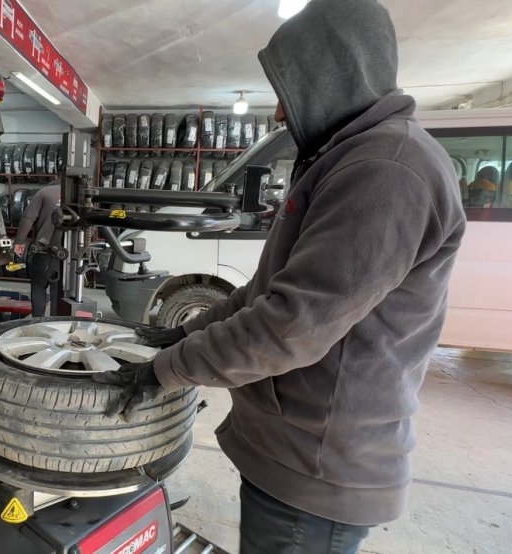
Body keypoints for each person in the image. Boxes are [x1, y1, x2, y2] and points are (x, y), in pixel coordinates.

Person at [93, 1, 466, 553]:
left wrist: (164, 372)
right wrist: (186, 334)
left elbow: (290, 325)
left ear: (331, 78)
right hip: (295, 447)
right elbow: (270, 289)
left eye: (288, 93)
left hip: (315, 469)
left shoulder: (383, 171)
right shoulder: (357, 158)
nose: (277, 116)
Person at [13, 183, 61, 317]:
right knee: (60, 292)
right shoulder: (80, 194)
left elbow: (28, 218)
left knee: (39, 286)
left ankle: (37, 321)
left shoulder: (45, 192)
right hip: (67, 253)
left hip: (43, 249)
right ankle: (59, 322)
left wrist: (19, 242)